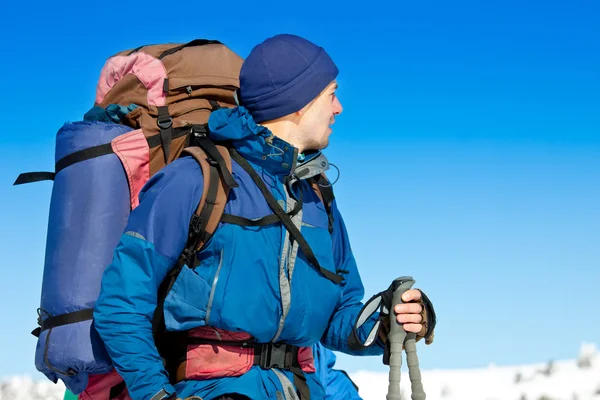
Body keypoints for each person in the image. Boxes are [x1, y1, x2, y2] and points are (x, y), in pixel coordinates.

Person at [94, 34, 435, 400]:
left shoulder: (317, 196)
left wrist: (387, 322)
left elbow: (338, 315)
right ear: (298, 102)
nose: (338, 108)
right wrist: (156, 395)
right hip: (216, 390)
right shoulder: (195, 180)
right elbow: (122, 300)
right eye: (331, 94)